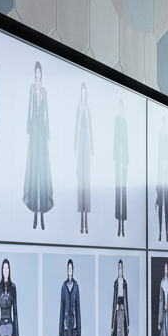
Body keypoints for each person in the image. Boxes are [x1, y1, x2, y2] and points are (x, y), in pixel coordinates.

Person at [23, 61, 54, 230]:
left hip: (42, 131)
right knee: (34, 170)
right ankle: (35, 213)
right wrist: (28, 132)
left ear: (41, 73)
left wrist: (48, 135)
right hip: (34, 130)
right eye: (36, 71)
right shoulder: (31, 88)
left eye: (39, 71)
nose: (37, 74)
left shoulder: (44, 91)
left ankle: (42, 214)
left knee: (42, 171)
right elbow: (29, 109)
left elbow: (47, 113)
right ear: (34, 73)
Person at [74, 83, 93, 235]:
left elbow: (91, 129)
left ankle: (87, 222)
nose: (83, 95)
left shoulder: (88, 108)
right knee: (80, 181)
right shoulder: (79, 107)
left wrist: (92, 152)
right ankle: (81, 222)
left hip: (86, 140)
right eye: (82, 92)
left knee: (87, 182)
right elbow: (76, 127)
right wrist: (75, 149)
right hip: (80, 140)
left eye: (85, 93)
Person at [113, 99, 128, 237]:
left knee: (124, 192)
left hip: (124, 161)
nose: (121, 111)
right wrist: (114, 159)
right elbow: (115, 140)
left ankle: (123, 223)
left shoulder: (125, 123)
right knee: (118, 191)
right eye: (120, 109)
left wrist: (127, 162)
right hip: (118, 160)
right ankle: (119, 225)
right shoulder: (117, 121)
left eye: (122, 109)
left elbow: (127, 142)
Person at [156, 118, 168, 243]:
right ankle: (160, 231)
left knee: (167, 207)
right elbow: (158, 159)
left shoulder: (167, 140)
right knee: (160, 207)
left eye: (165, 126)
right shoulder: (160, 139)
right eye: (162, 125)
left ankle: (166, 232)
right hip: (160, 178)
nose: (163, 128)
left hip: (166, 179)